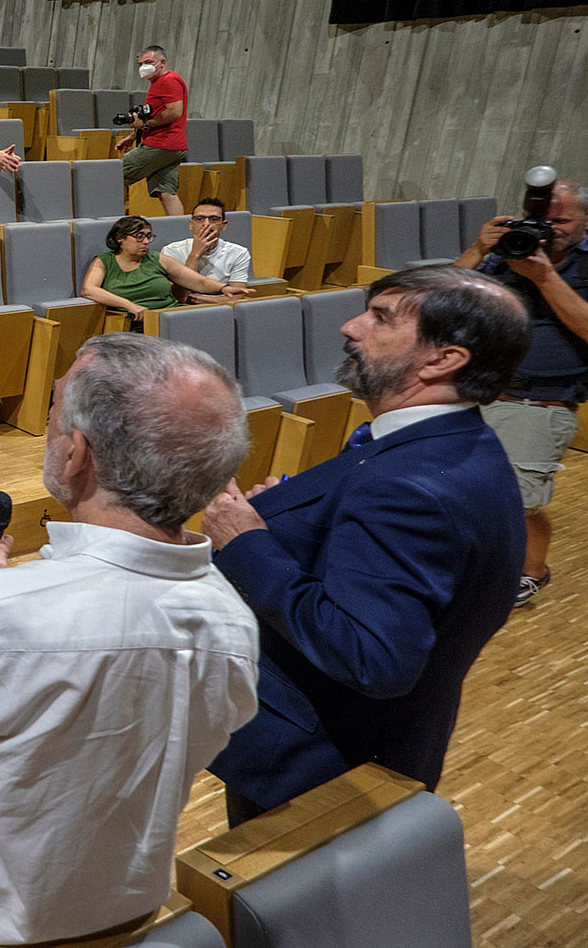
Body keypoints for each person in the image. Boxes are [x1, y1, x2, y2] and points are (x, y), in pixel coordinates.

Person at [0, 332, 258, 948]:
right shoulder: (232, 621)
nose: (49, 425)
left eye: (55, 409)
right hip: (124, 914)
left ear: (75, 456)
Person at [203, 266, 531, 823]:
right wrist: (290, 517)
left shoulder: (407, 487)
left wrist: (248, 541)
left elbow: (373, 658)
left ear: (442, 360)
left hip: (320, 764)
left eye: (380, 318)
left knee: (283, 909)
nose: (350, 327)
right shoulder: (456, 444)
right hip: (369, 745)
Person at [456, 177, 588, 606]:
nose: (548, 229)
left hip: (538, 403)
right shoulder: (504, 254)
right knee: (467, 491)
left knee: (519, 502)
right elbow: (441, 296)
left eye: (561, 220)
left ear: (585, 221)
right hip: (478, 393)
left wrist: (545, 277)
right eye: (539, 219)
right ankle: (472, 563)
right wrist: (479, 250)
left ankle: (532, 571)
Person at [81, 215, 250, 321]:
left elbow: (197, 281)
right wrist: (128, 305)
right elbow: (89, 290)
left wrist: (224, 288)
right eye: (139, 237)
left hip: (170, 316)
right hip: (134, 321)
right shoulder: (104, 262)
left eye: (148, 236)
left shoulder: (157, 259)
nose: (146, 241)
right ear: (120, 238)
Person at [116, 44, 189, 217]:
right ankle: (179, 234)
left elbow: (174, 112)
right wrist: (133, 136)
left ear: (162, 62)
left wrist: (145, 125)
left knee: (114, 176)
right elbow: (153, 115)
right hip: (173, 146)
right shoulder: (158, 83)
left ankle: (115, 226)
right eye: (140, 64)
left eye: (148, 62)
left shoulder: (168, 80)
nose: (143, 67)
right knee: (166, 192)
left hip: (161, 144)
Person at [161, 198, 254, 302]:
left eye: (214, 219)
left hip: (220, 310)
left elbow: (236, 297)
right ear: (191, 224)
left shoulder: (239, 253)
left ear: (223, 225)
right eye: (199, 218)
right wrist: (195, 255)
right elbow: (178, 297)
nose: (206, 224)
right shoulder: (171, 251)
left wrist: (197, 299)